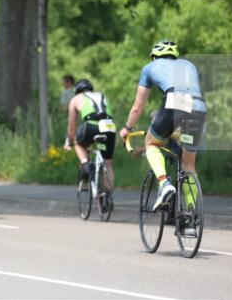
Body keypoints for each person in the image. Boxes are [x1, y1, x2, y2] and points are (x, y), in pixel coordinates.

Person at [119, 41, 206, 217]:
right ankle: (189, 217)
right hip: (199, 106)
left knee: (151, 143)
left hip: (177, 101)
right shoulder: (189, 65)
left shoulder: (150, 67)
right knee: (189, 164)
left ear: (154, 56)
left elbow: (138, 106)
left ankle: (164, 184)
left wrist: (127, 128)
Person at [64, 79, 115, 191]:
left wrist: (70, 140)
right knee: (108, 164)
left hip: (91, 126)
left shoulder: (76, 99)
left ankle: (86, 164)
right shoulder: (102, 95)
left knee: (78, 142)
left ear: (77, 90)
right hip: (109, 127)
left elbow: (72, 125)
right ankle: (108, 197)